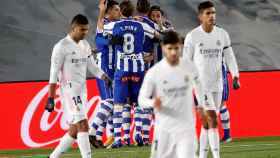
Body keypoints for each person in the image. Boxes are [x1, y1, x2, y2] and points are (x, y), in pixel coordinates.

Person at [45, 14, 111, 158]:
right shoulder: (61, 47)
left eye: (87, 30)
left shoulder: (85, 45)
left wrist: (105, 77)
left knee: (75, 130)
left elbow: (92, 66)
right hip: (69, 91)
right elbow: (53, 73)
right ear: (73, 28)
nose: (85, 33)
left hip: (82, 90)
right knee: (83, 125)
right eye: (82, 30)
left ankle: (53, 157)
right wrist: (50, 97)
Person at [183, 1, 240, 158]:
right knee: (213, 119)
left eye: (213, 13)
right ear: (200, 16)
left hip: (218, 84)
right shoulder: (192, 36)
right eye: (208, 13)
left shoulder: (222, 34)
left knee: (207, 124)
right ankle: (216, 156)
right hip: (201, 86)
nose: (212, 16)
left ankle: (202, 156)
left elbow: (229, 56)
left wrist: (235, 75)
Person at [138, 30, 205, 158]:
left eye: (176, 48)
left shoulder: (189, 67)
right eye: (170, 48)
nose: (174, 52)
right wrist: (153, 102)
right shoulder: (154, 72)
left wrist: (201, 105)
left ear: (180, 46)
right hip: (164, 130)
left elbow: (199, 85)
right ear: (163, 48)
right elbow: (141, 99)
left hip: (186, 128)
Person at [103, 0, 157, 148]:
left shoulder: (114, 25)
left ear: (120, 11)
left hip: (122, 70)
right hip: (138, 68)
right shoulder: (141, 25)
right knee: (139, 103)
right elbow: (156, 35)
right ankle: (138, 132)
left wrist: (102, 11)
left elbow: (101, 29)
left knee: (119, 105)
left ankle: (119, 139)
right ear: (133, 12)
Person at [89, 0, 121, 148]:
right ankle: (92, 131)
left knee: (108, 104)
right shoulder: (108, 24)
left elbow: (99, 40)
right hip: (105, 68)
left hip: (109, 67)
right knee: (111, 101)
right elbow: (99, 39)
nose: (119, 13)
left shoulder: (109, 23)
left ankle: (103, 137)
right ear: (109, 12)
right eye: (116, 10)